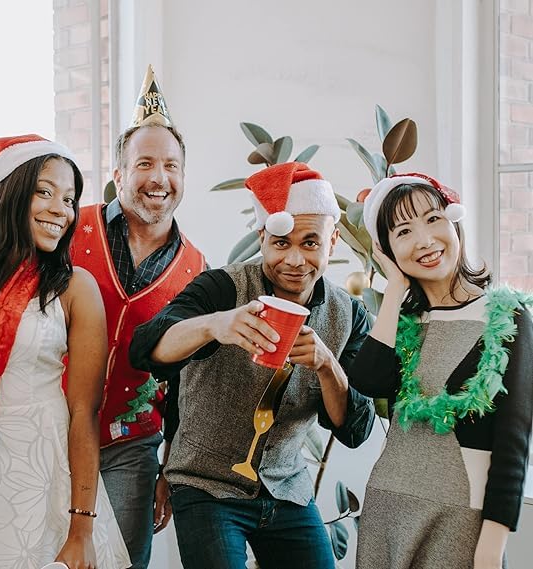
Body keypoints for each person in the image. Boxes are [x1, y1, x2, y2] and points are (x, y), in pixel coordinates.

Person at [129, 162, 376, 569]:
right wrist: (214, 324)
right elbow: (146, 348)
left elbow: (354, 429)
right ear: (262, 237)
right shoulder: (222, 288)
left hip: (287, 489)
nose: (294, 259)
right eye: (280, 243)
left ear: (332, 241)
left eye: (310, 243)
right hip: (205, 485)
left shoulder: (349, 315)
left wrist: (327, 365)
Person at [347, 173, 533, 569]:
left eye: (433, 219)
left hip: (459, 520)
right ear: (388, 251)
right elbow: (367, 381)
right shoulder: (403, 323)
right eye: (403, 231)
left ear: (454, 222)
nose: (425, 240)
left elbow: (513, 441)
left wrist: (492, 545)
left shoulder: (505, 316)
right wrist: (394, 289)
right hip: (386, 512)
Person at [0, 134, 130, 569]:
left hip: (40, 483)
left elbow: (83, 412)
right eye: (44, 192)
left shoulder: (74, 288)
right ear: (8, 194)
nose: (62, 210)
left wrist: (81, 531)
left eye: (70, 199)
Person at [69, 65, 205, 569]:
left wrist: (170, 466)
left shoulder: (199, 270)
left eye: (171, 165)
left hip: (132, 446)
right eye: (144, 163)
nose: (158, 178)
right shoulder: (70, 229)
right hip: (51, 426)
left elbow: (189, 382)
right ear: (118, 174)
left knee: (122, 562)